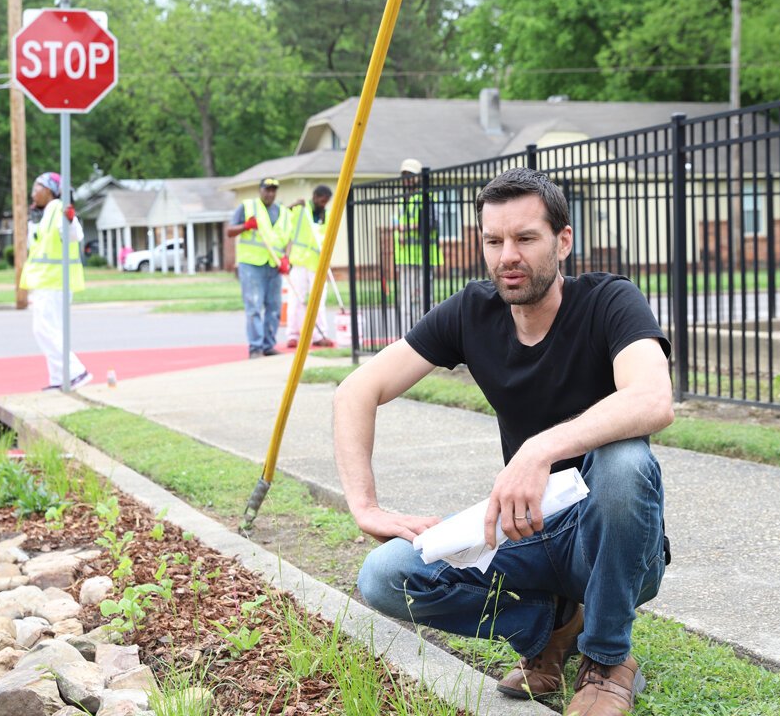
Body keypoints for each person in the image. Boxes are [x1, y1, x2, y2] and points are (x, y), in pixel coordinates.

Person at [334, 167, 673, 716]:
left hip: (609, 537)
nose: (507, 256)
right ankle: (552, 629)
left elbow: (654, 400)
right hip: (528, 529)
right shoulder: (473, 311)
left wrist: (538, 450)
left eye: (525, 238)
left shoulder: (609, 301)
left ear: (563, 241)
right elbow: (357, 390)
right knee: (385, 575)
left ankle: (607, 659)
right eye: (494, 241)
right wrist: (363, 504)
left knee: (624, 460)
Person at [20, 172, 92, 391]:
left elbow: (74, 234)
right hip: (52, 283)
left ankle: (76, 371)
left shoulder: (57, 209)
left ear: (49, 190)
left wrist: (69, 219)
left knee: (45, 330)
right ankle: (59, 379)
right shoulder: (47, 213)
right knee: (51, 331)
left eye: (37, 187)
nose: (33, 192)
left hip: (53, 284)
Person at [226, 177, 291, 359]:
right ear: (260, 190)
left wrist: (287, 258)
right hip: (252, 264)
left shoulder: (284, 212)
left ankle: (268, 345)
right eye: (267, 189)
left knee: (274, 307)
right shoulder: (247, 207)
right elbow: (230, 231)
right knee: (254, 306)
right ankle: (255, 348)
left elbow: (289, 238)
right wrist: (245, 226)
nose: (270, 193)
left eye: (273, 190)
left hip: (274, 265)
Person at [393, 158, 444, 333]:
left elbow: (432, 224)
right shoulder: (402, 200)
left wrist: (409, 227)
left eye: (410, 175)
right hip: (405, 257)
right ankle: (407, 335)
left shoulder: (427, 198)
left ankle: (424, 334)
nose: (407, 179)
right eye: (404, 175)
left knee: (424, 298)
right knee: (406, 298)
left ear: (418, 177)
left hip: (424, 256)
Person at [285, 184, 335, 349]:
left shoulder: (327, 215)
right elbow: (282, 217)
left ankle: (319, 336)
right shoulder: (300, 210)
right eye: (321, 201)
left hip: (317, 264)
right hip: (299, 262)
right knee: (297, 300)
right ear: (314, 197)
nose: (323, 204)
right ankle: (293, 335)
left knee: (319, 301)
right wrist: (292, 205)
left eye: (326, 202)